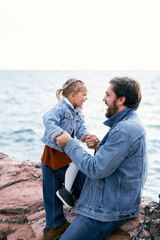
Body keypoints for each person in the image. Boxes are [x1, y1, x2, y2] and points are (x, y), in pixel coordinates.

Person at [55, 77, 148, 240]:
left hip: (108, 209)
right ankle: (54, 221)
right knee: (52, 165)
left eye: (108, 95)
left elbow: (95, 169)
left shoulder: (124, 130)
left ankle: (54, 224)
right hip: (115, 194)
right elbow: (119, 158)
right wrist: (100, 147)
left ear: (121, 100)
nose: (103, 99)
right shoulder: (129, 122)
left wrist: (69, 143)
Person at [37, 78, 98, 240]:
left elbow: (80, 128)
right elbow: (48, 120)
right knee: (73, 172)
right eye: (84, 95)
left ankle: (54, 225)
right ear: (72, 95)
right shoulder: (61, 108)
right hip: (56, 148)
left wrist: (86, 137)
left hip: (61, 150)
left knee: (52, 179)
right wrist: (59, 134)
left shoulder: (78, 111)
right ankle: (66, 206)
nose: (86, 98)